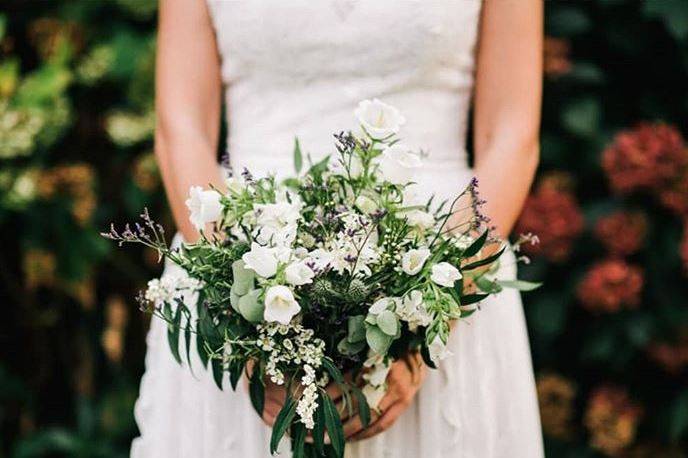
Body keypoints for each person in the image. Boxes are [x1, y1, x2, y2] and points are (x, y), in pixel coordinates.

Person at [131, 1, 544, 457]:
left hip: (445, 274)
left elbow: (510, 133)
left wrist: (425, 323)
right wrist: (244, 323)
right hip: (242, 261)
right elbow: (181, 127)